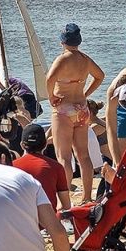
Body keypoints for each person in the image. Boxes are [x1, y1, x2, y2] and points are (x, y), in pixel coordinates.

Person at [47, 23, 105, 202]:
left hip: (64, 109)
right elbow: (100, 76)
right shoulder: (85, 59)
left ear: (63, 41)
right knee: (83, 155)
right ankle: (87, 197)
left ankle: (65, 201)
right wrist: (86, 93)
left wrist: (51, 97)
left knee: (64, 157)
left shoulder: (62, 59)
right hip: (81, 108)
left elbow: (50, 78)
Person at [12, 124, 71, 211]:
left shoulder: (11, 167)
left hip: (19, 221)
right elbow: (66, 206)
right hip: (47, 221)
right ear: (45, 144)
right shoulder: (56, 167)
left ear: (22, 145)